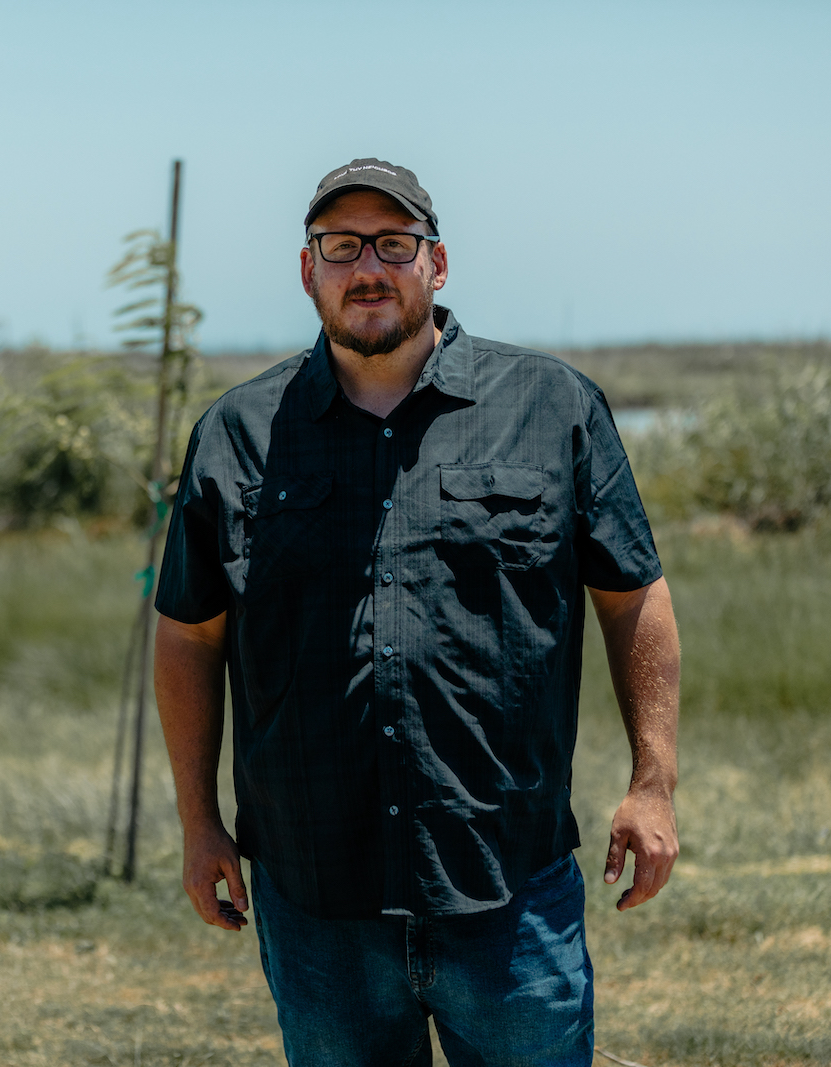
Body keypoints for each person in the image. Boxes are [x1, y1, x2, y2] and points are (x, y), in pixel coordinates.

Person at [152, 157, 680, 1066]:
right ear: (307, 268)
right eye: (341, 246)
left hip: (508, 882)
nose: (368, 267)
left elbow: (634, 598)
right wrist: (199, 819)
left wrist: (653, 780)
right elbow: (189, 634)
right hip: (318, 898)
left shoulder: (552, 407)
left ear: (437, 265)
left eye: (394, 245)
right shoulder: (236, 434)